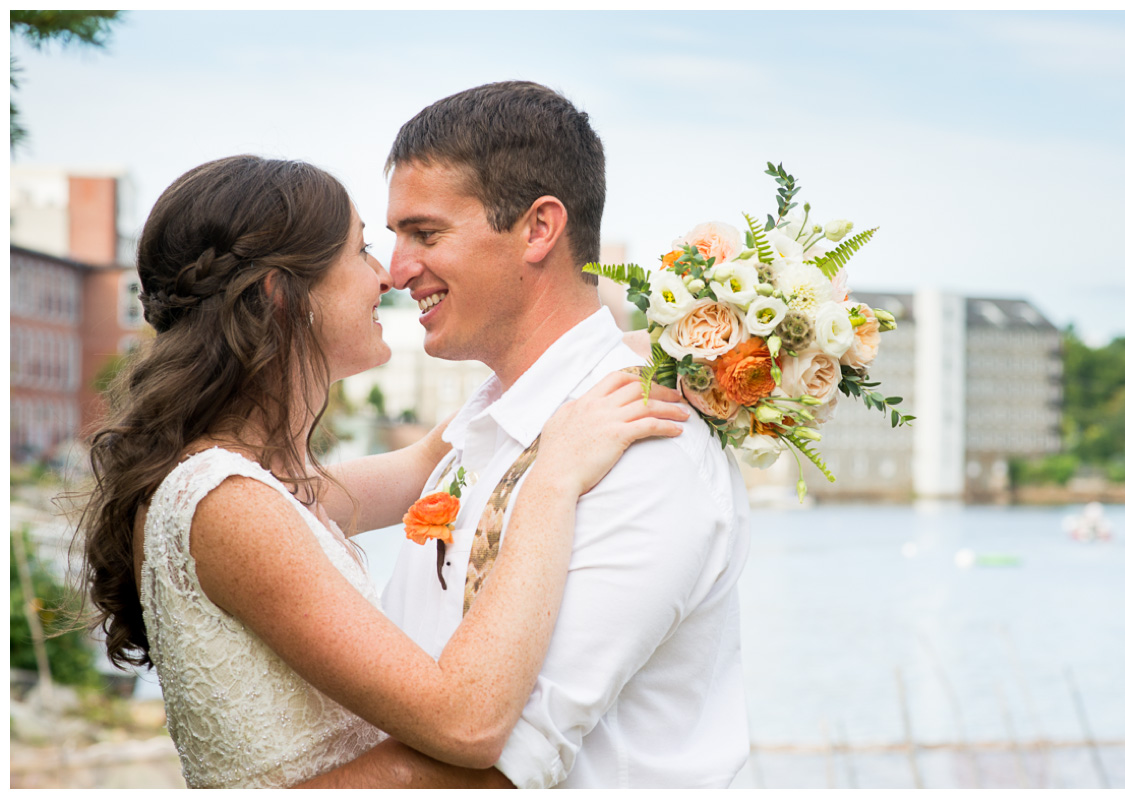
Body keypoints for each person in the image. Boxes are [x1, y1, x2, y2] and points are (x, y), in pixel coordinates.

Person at [74, 154, 690, 788]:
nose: (388, 275)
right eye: (361, 250)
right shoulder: (230, 505)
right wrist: (554, 481)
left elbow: (433, 456)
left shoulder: (244, 487)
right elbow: (467, 724)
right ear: (280, 295)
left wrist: (692, 347)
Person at [381, 81, 752, 789]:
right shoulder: (483, 423)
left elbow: (505, 766)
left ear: (538, 229)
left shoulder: (647, 446)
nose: (397, 271)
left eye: (424, 234)